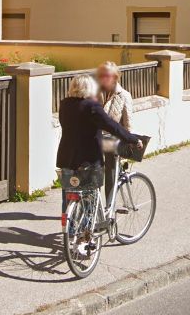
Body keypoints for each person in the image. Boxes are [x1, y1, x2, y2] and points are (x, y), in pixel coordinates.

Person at [56, 74, 140, 218]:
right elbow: (113, 126)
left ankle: (68, 226)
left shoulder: (65, 104)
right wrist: (133, 139)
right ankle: (90, 226)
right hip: (88, 158)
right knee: (90, 195)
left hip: (67, 156)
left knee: (69, 193)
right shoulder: (92, 106)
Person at [96, 61, 133, 203]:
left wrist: (129, 141)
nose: (103, 78)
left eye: (107, 75)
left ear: (115, 77)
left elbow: (127, 122)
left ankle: (109, 205)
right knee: (94, 172)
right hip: (95, 137)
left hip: (111, 139)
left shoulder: (124, 95)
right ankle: (94, 206)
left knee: (111, 172)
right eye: (101, 75)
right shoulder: (94, 93)